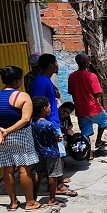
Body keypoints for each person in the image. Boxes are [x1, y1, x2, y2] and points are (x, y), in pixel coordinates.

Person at [0, 66, 44, 211]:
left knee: (7, 169)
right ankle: (30, 202)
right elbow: (25, 119)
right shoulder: (23, 97)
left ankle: (13, 202)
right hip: (21, 136)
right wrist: (7, 131)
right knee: (24, 170)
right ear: (17, 81)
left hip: (1, 139)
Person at [30, 53, 70, 197]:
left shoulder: (45, 80)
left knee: (56, 157)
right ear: (51, 65)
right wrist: (45, 123)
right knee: (55, 158)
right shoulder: (41, 82)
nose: (57, 65)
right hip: (49, 123)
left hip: (51, 121)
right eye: (55, 62)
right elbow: (37, 102)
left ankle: (57, 183)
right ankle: (58, 185)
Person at [31, 96, 73, 208]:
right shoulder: (48, 124)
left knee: (38, 174)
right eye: (49, 106)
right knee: (53, 175)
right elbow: (56, 137)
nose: (51, 108)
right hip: (52, 153)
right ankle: (52, 199)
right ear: (44, 108)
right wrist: (58, 138)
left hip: (39, 152)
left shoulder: (32, 123)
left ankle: (33, 197)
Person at [68, 53, 107, 160]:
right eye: (88, 61)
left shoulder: (71, 76)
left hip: (80, 109)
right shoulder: (91, 76)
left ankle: (89, 153)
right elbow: (97, 93)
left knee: (85, 133)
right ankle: (99, 140)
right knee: (104, 120)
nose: (89, 62)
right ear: (84, 62)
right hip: (93, 108)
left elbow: (71, 91)